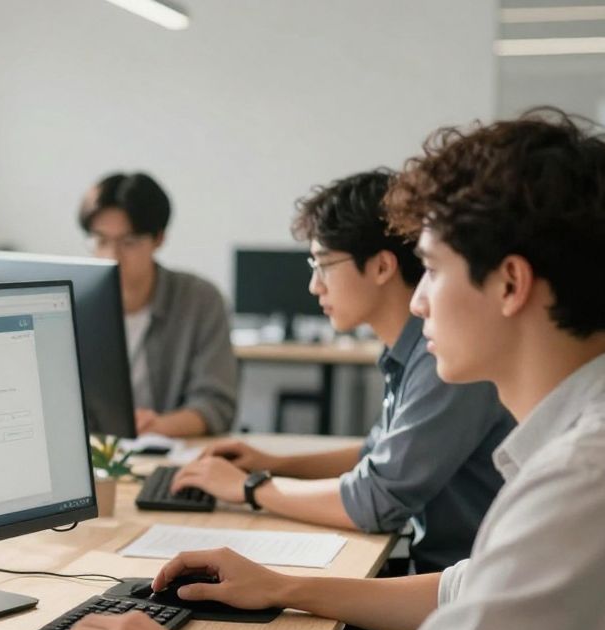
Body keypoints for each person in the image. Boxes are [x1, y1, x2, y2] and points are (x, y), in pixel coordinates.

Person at [57, 108, 605, 630]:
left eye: (434, 270)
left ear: (510, 283)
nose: (418, 302)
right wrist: (283, 586)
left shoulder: (590, 481)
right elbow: (463, 589)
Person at [172, 170, 513, 574]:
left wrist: (251, 489)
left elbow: (375, 500)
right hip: (433, 574)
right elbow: (375, 457)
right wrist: (270, 463)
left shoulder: (442, 362)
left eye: (324, 265)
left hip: (450, 588)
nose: (315, 286)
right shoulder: (407, 351)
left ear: (383, 267)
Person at [79, 171, 237, 437]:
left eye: (128, 242)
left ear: (159, 239)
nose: (111, 256)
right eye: (101, 241)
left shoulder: (200, 301)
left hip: (169, 450)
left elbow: (216, 404)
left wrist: (156, 426)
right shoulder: (74, 304)